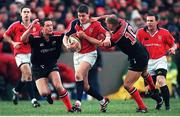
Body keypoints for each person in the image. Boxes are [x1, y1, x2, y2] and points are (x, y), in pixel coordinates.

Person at [85, 14, 163, 113]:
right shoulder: (123, 22)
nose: (106, 25)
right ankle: (155, 93)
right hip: (143, 52)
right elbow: (110, 16)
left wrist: (87, 37)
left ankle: (142, 107)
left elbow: (104, 45)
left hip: (137, 58)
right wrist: (98, 18)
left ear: (111, 25)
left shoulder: (117, 36)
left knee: (127, 85)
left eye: (107, 24)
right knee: (144, 74)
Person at [63, 4, 111, 112]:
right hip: (77, 55)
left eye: (83, 16)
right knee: (85, 86)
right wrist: (67, 45)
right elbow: (65, 37)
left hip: (90, 54)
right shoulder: (75, 23)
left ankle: (78, 104)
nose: (81, 18)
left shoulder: (96, 24)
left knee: (78, 74)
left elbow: (106, 32)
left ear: (88, 15)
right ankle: (103, 101)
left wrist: (107, 38)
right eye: (79, 15)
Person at [20, 18, 74, 112]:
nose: (50, 28)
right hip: (37, 67)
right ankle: (48, 94)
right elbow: (23, 39)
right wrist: (30, 27)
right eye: (47, 26)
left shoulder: (57, 35)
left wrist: (69, 45)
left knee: (58, 86)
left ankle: (70, 109)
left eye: (51, 25)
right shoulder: (35, 37)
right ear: (42, 28)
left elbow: (67, 37)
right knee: (44, 93)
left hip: (51, 64)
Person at [136, 12, 177, 111]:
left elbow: (173, 44)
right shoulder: (140, 32)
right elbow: (135, 46)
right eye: (147, 21)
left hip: (160, 60)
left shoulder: (164, 32)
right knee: (148, 91)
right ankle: (159, 100)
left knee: (161, 80)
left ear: (157, 22)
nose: (149, 23)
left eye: (151, 21)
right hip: (147, 63)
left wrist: (173, 49)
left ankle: (167, 107)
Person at [3, 6, 40, 107]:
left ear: (31, 14)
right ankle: (33, 100)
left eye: (28, 12)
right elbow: (5, 35)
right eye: (24, 12)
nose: (26, 14)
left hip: (32, 54)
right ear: (21, 14)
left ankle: (16, 91)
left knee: (25, 77)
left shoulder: (36, 26)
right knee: (28, 74)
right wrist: (13, 43)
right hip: (19, 53)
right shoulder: (15, 25)